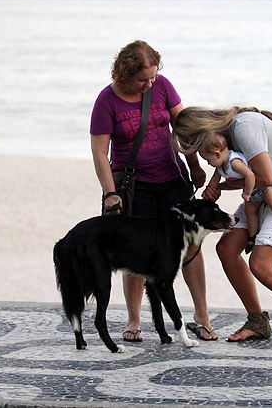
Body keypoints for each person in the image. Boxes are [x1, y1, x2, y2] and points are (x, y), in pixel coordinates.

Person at [89, 40, 217, 342]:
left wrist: (195, 164)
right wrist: (110, 193)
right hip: (135, 187)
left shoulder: (162, 86)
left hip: (173, 181)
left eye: (153, 76)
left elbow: (183, 128)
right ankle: (134, 320)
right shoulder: (106, 101)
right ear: (124, 74)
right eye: (143, 79)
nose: (150, 83)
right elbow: (99, 152)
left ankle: (203, 316)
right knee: (137, 253)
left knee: (192, 248)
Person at [173, 106, 272, 343]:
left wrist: (222, 187)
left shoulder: (244, 127)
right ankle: (257, 321)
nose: (204, 159)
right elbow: (255, 178)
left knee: (260, 265)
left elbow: (267, 178)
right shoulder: (226, 138)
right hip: (262, 195)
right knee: (226, 249)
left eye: (199, 149)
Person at [198, 132, 272, 253]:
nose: (208, 163)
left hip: (264, 184)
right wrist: (209, 191)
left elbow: (250, 175)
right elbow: (214, 182)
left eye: (207, 160)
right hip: (253, 189)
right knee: (250, 211)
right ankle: (253, 236)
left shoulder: (234, 162)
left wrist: (247, 193)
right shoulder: (220, 167)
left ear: (217, 154)